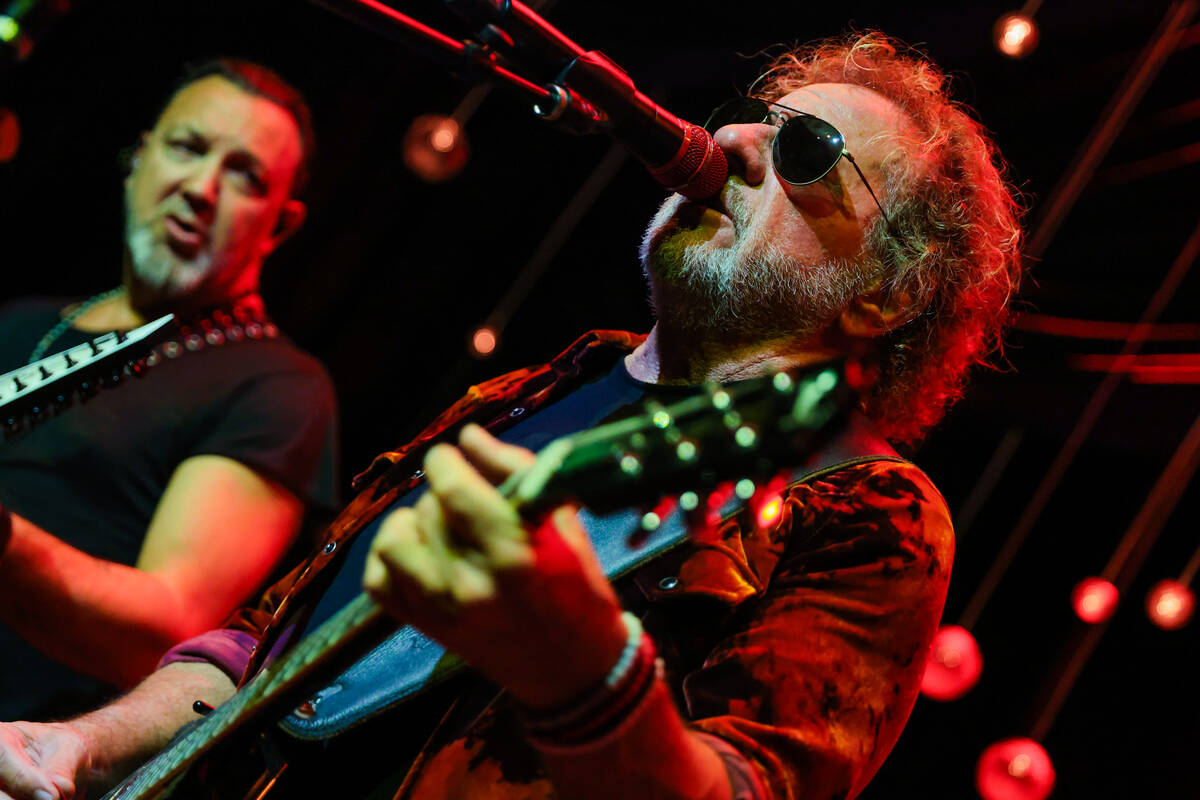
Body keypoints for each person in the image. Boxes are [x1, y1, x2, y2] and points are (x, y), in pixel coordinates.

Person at [0, 32, 1021, 800]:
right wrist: (78, 743)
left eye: (807, 146)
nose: (735, 140)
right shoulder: (530, 391)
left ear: (885, 296)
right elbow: (263, 649)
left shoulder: (866, 509)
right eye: (756, 112)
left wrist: (586, 670)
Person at [0, 59, 339, 721]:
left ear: (281, 224)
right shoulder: (22, 322)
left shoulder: (278, 387)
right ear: (138, 158)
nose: (202, 189)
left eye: (244, 175)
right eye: (187, 148)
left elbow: (166, 631)